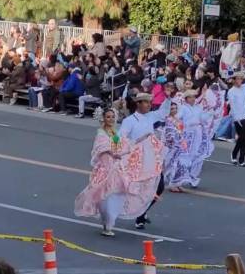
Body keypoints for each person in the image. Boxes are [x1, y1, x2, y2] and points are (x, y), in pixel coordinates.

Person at [74, 108, 165, 236]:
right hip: (105, 169)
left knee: (115, 196)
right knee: (104, 196)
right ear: (103, 118)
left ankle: (109, 224)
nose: (110, 119)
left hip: (116, 168)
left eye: (112, 117)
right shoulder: (101, 132)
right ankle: (106, 223)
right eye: (108, 117)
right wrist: (111, 153)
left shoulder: (115, 133)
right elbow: (100, 147)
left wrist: (142, 139)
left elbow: (125, 145)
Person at [118, 90, 172, 229]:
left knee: (159, 187)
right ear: (138, 104)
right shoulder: (129, 121)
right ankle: (132, 211)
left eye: (149, 102)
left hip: (151, 157)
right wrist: (136, 141)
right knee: (137, 188)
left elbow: (163, 112)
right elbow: (120, 138)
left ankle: (142, 213)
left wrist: (168, 97)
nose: (149, 105)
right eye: (146, 102)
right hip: (136, 159)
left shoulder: (150, 116)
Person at [176, 89, 214, 187]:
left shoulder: (198, 107)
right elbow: (177, 119)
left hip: (198, 133)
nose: (193, 99)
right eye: (190, 97)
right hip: (187, 134)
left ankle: (193, 176)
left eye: (194, 97)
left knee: (198, 154)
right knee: (186, 155)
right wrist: (185, 125)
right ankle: (182, 176)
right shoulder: (183, 108)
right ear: (186, 99)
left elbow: (202, 118)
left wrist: (210, 113)